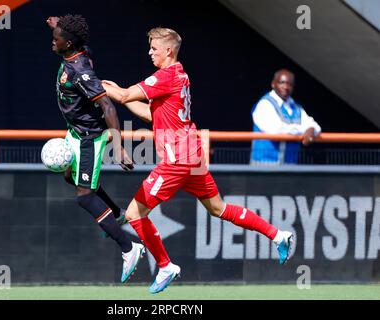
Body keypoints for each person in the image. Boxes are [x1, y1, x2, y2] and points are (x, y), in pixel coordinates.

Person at [102, 27, 294, 294]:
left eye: (154, 48)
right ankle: (278, 235)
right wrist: (119, 95)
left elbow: (124, 95)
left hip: (177, 159)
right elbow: (150, 114)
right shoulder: (180, 74)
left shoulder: (166, 76)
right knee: (218, 208)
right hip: (192, 154)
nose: (150, 52)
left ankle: (166, 265)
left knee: (135, 213)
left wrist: (102, 87)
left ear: (168, 50)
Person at [47, 14, 145, 283]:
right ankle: (115, 214)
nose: (52, 42)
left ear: (68, 43)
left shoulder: (81, 71)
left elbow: (108, 107)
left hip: (89, 138)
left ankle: (129, 247)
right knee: (70, 176)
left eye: (56, 39)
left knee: (85, 197)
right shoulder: (75, 49)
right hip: (75, 132)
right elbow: (70, 37)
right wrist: (56, 25)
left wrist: (120, 148)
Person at [250, 69, 321, 165]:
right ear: (273, 84)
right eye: (282, 83)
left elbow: (314, 126)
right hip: (264, 166)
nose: (286, 87)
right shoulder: (264, 104)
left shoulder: (295, 107)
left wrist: (311, 129)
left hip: (289, 167)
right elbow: (276, 130)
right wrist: (303, 130)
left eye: (290, 84)